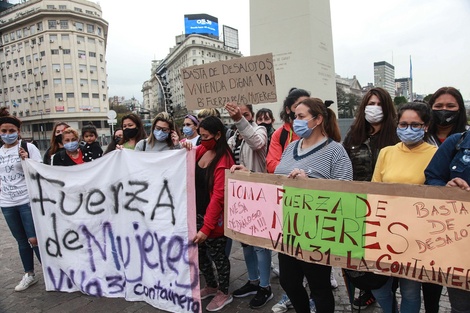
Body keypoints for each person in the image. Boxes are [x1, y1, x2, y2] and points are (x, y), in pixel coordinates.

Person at [274, 97, 352, 313]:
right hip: (288, 228)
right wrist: (250, 177)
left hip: (316, 233)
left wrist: (310, 183)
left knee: (319, 287)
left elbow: (345, 192)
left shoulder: (336, 151)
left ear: (317, 120)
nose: (295, 121)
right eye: (294, 117)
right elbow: (277, 179)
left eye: (301, 117)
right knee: (289, 282)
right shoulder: (290, 147)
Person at [371, 102, 437, 313]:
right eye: (403, 124)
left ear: (425, 126)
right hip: (383, 230)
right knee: (378, 287)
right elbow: (374, 189)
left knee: (410, 290)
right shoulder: (386, 152)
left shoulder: (436, 154)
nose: (408, 129)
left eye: (415, 125)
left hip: (415, 234)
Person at [342, 87, 399, 310]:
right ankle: (369, 291)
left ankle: (386, 293)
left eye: (378, 104)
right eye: (370, 104)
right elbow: (344, 167)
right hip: (359, 207)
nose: (374, 108)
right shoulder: (354, 135)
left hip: (388, 208)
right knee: (364, 255)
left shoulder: (395, 135)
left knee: (386, 257)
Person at [182, 116, 235, 312]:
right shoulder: (203, 149)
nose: (201, 140)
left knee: (218, 256)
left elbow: (218, 198)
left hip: (215, 220)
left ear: (218, 135)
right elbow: (188, 155)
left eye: (205, 136)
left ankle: (224, 291)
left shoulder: (224, 159)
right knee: (201, 255)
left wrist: (206, 227)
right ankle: (211, 285)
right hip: (197, 213)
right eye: (200, 136)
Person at [423, 86, 468, 313]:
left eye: (450, 106)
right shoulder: (457, 142)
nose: (444, 111)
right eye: (439, 106)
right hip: (453, 232)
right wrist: (448, 188)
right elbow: (433, 177)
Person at [225, 102, 273, 309]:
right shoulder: (233, 137)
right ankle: (253, 281)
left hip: (258, 193)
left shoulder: (259, 130)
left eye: (245, 115)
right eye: (237, 114)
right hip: (240, 195)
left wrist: (239, 120)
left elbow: (257, 144)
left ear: (251, 116)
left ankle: (265, 286)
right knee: (245, 242)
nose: (241, 117)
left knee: (260, 244)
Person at [0, 107, 42, 291]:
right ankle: (29, 274)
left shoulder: (27, 147)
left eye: (11, 131)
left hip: (26, 201)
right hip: (7, 204)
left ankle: (51, 271)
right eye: (4, 131)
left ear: (18, 132)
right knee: (21, 240)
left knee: (34, 239)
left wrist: (27, 161)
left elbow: (40, 170)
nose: (8, 134)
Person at [267, 88, 310, 173]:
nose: (302, 110)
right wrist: (296, 172)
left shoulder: (317, 132)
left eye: (308, 106)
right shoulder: (279, 134)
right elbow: (271, 165)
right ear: (288, 110)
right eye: (298, 106)